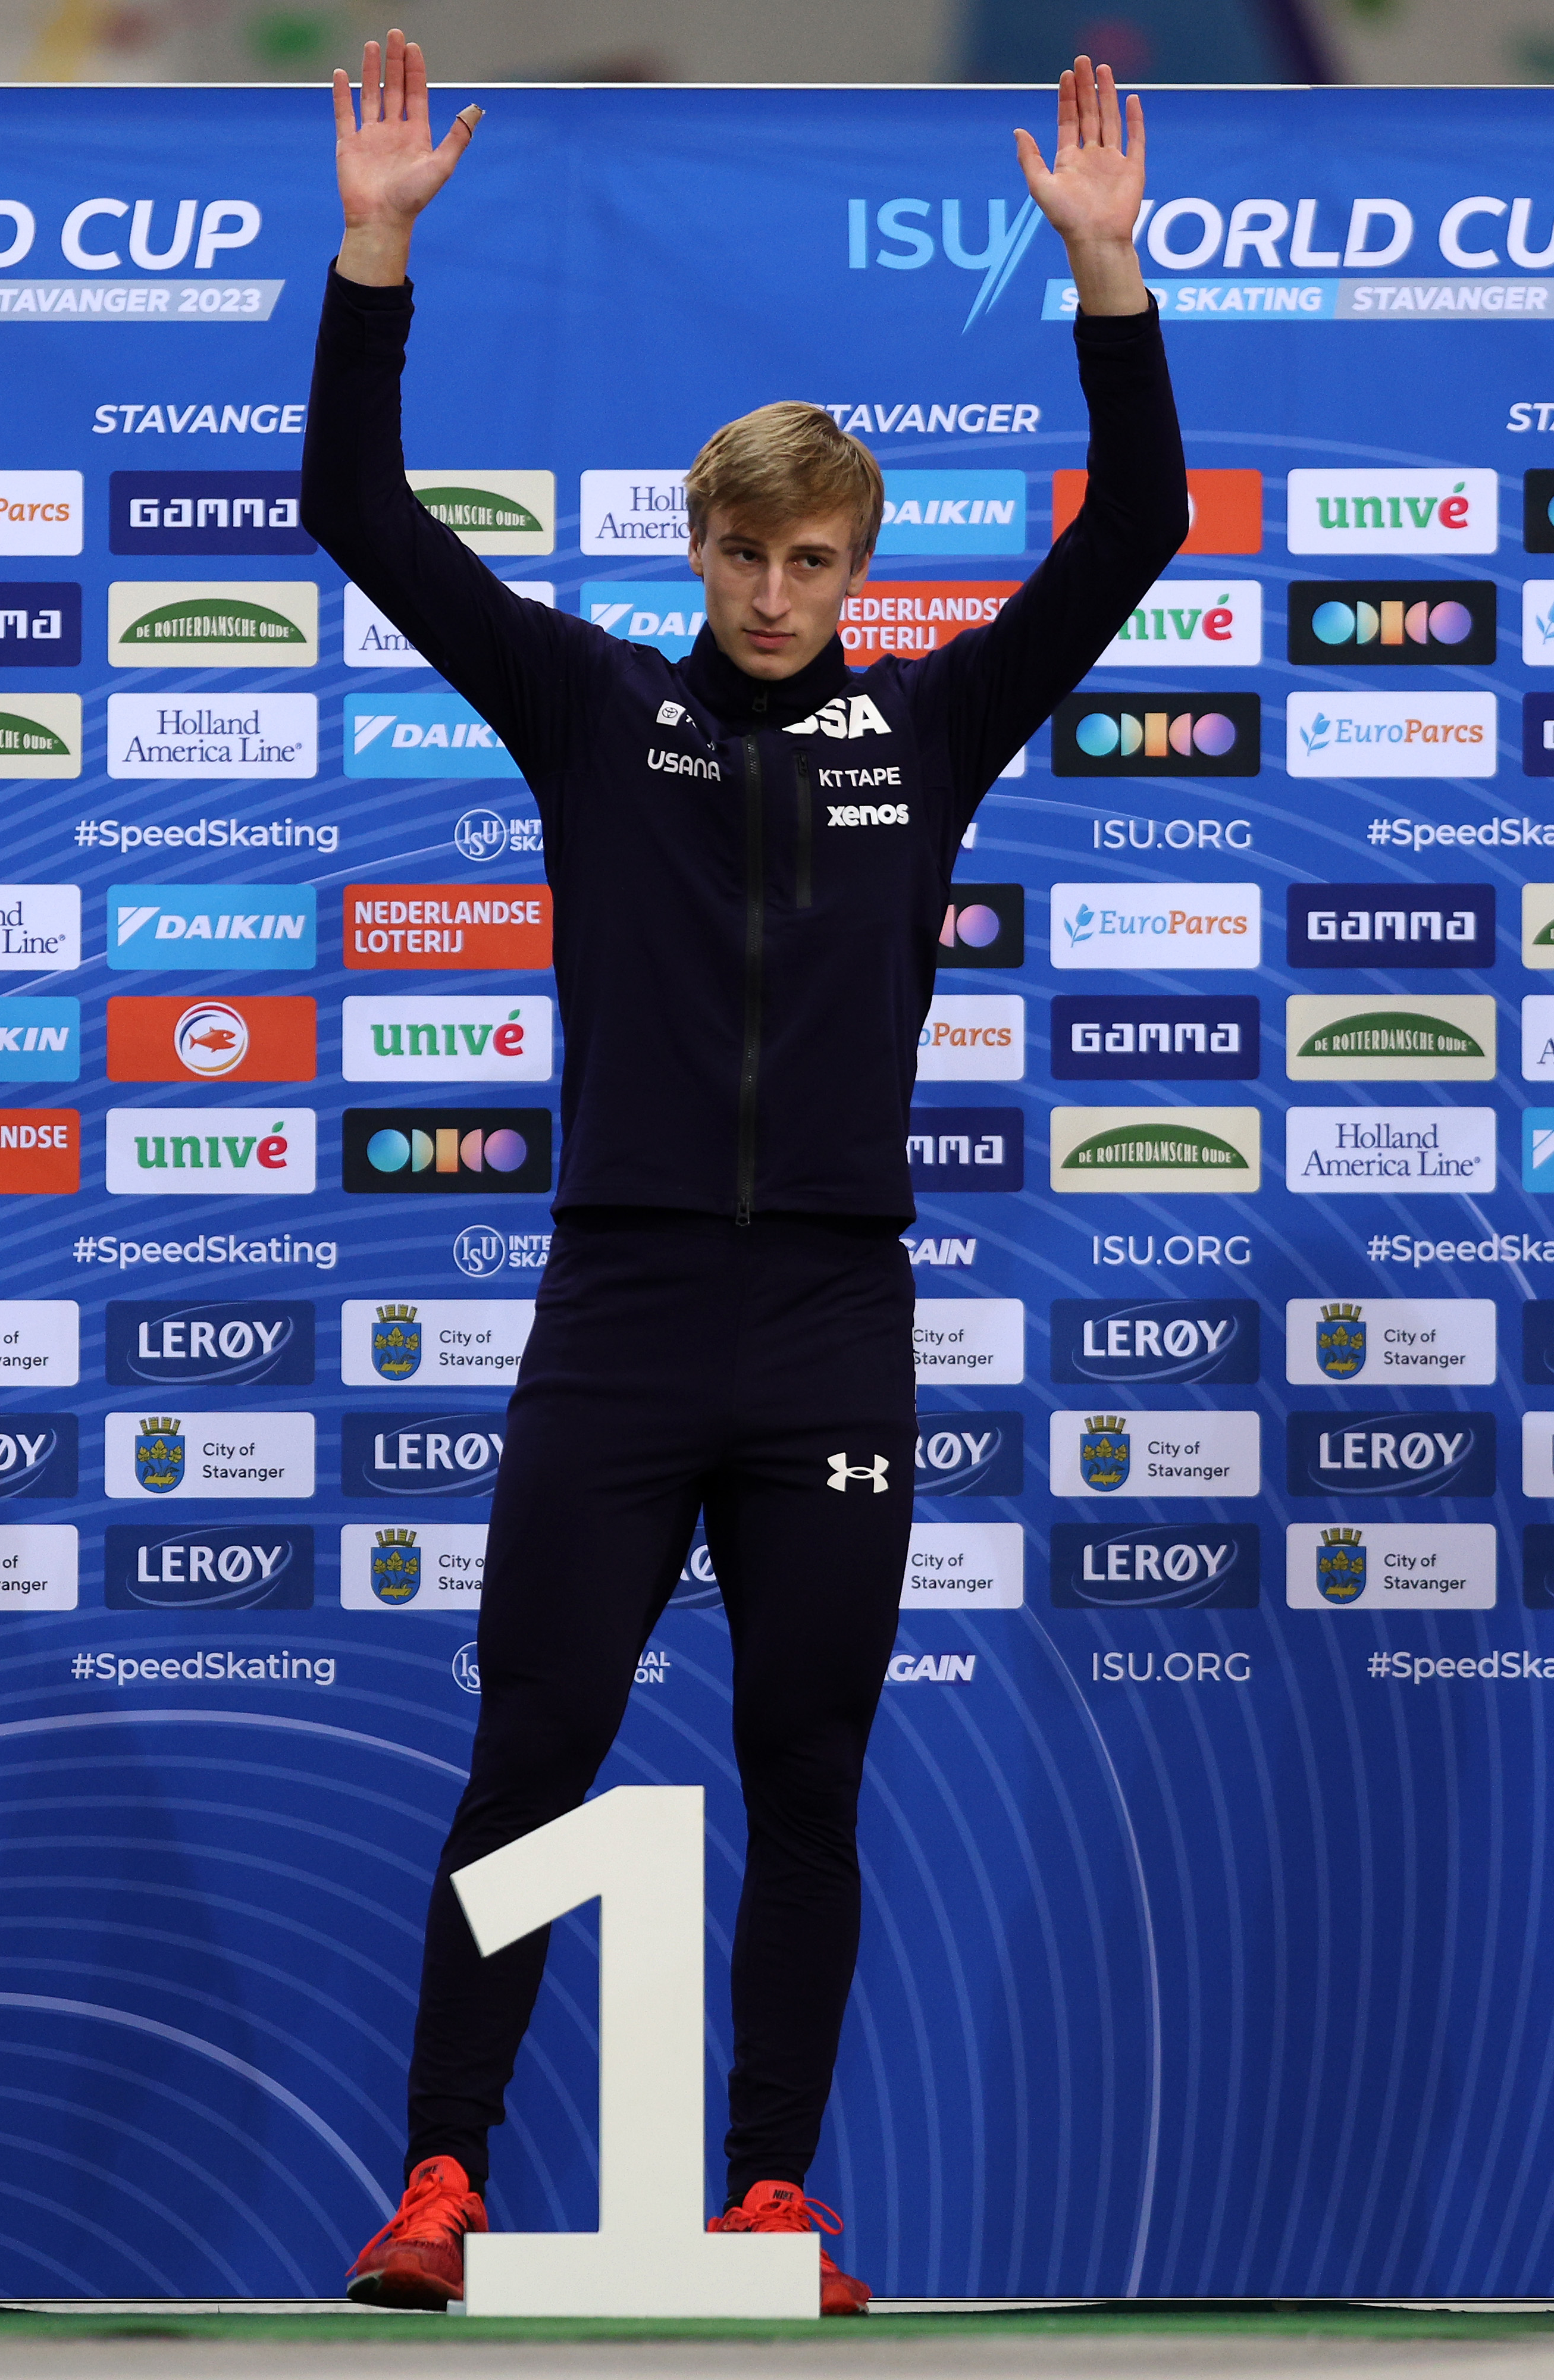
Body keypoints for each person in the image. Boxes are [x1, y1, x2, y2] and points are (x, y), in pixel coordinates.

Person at [305, 35, 1185, 2315]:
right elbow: (360, 517)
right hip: (619, 1313)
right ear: (690, 550)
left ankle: (772, 2192)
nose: (776, 591)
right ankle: (438, 2181)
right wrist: (375, 250)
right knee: (538, 1740)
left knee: (810, 1760)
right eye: (742, 552)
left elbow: (1144, 532)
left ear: (858, 567)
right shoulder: (598, 707)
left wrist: (1109, 277)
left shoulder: (936, 723)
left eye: (814, 560)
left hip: (828, 1322)